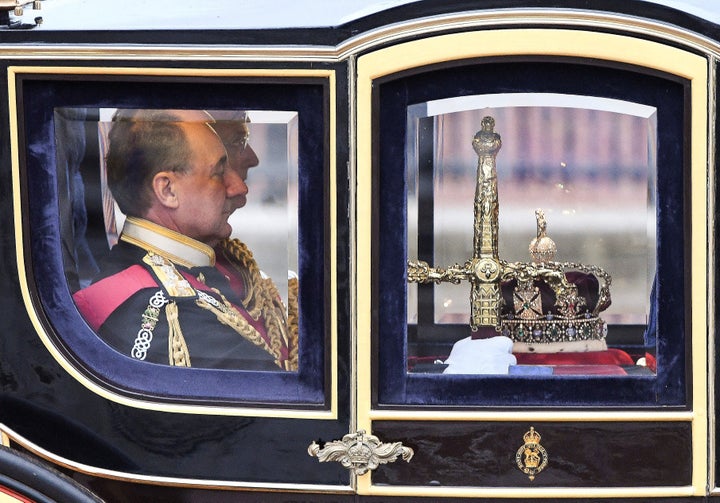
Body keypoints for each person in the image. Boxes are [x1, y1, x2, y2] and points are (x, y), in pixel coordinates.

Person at [73, 109, 297, 371]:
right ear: (167, 190)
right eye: (219, 171)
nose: (239, 187)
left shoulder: (215, 268)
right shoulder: (169, 314)